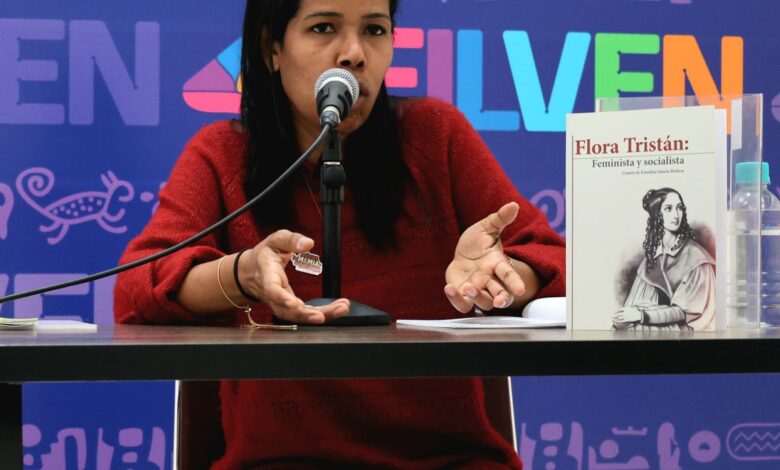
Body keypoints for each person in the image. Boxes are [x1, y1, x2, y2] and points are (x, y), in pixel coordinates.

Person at [114, 0, 565, 467]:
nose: (354, 54)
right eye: (324, 28)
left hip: (446, 459)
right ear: (272, 48)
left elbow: (561, 260)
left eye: (375, 30)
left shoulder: (435, 135)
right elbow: (134, 291)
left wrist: (504, 275)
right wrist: (241, 275)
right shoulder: (221, 154)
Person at [613, 188, 715, 331]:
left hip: (693, 330)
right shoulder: (651, 260)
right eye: (668, 209)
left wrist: (641, 315)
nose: (676, 214)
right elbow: (635, 305)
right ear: (657, 215)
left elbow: (682, 312)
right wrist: (623, 318)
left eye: (679, 208)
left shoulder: (696, 257)